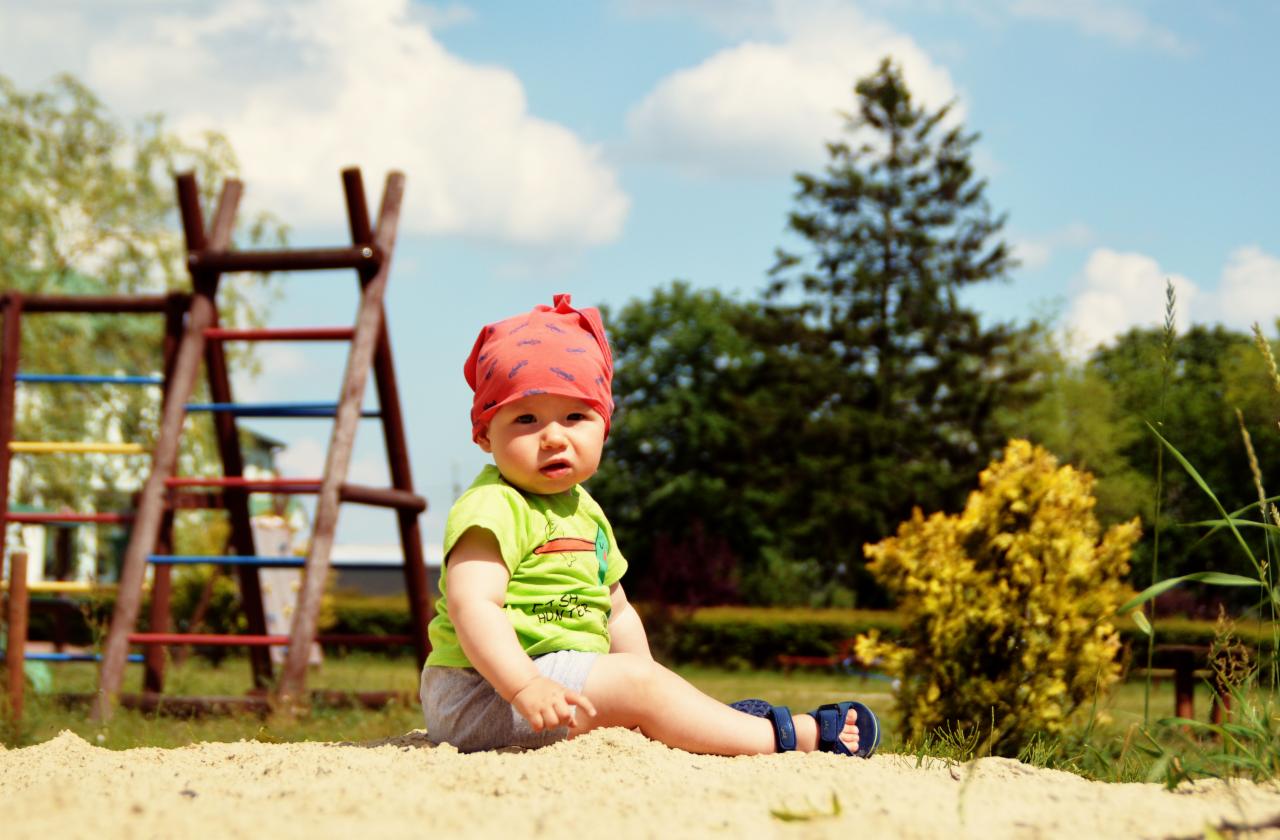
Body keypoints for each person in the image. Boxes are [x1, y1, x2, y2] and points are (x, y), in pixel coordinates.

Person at [420, 294, 880, 757]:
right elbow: (472, 604)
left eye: (575, 416)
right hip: (484, 692)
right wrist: (525, 685)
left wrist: (648, 686)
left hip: (556, 682)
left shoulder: (585, 511)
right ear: (484, 433)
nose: (554, 437)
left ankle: (709, 723)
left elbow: (616, 611)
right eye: (526, 418)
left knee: (644, 682)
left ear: (604, 425)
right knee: (639, 684)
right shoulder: (493, 505)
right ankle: (784, 737)